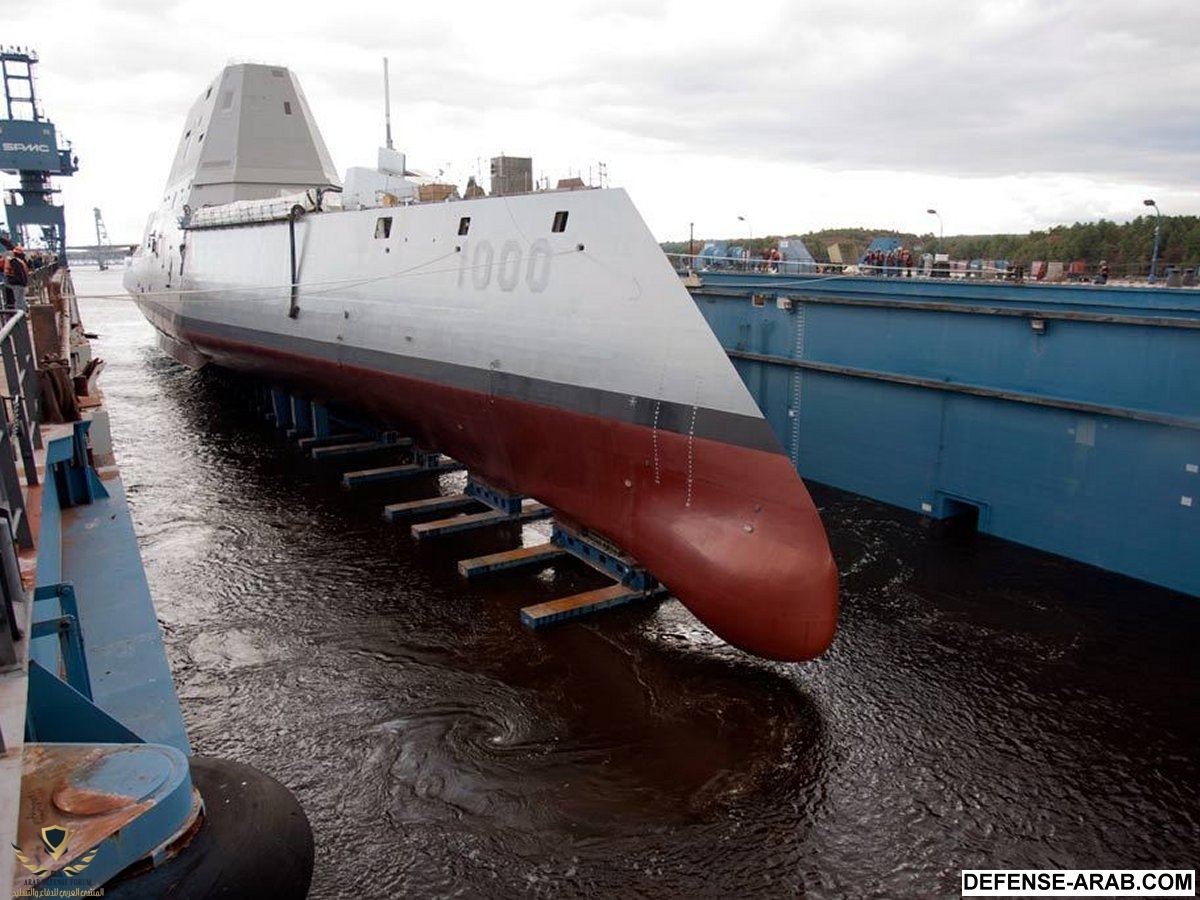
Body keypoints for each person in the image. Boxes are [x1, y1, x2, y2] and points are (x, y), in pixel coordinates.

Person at [3, 246, 30, 310]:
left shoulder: (15, 261)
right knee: (20, 300)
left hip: (17, 283)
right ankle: (22, 314)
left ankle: (21, 315)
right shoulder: (18, 261)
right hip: (19, 283)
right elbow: (20, 273)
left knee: (19, 300)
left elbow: (18, 273)